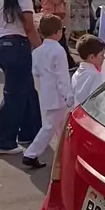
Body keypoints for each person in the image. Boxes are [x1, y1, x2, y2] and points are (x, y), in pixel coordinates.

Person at [0, 0, 42, 154]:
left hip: (2, 46)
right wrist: (41, 48)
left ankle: (29, 132)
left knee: (27, 91)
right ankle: (2, 141)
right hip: (18, 47)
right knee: (14, 96)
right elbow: (29, 27)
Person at [22, 15, 74, 169]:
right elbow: (62, 76)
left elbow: (35, 73)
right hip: (58, 96)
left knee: (58, 127)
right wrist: (68, 94)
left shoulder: (37, 52)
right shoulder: (58, 50)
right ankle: (31, 154)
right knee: (51, 127)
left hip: (44, 93)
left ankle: (64, 153)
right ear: (58, 32)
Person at [71, 35, 105, 106]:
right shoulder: (95, 75)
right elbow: (96, 101)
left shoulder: (76, 74)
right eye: (102, 55)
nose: (104, 58)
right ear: (92, 57)